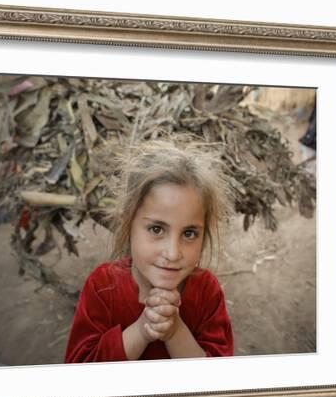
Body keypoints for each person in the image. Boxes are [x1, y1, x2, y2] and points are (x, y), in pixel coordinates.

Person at [64, 137, 234, 363]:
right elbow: (79, 377)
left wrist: (175, 331)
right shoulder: (102, 286)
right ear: (128, 223)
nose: (173, 254)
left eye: (189, 234)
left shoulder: (207, 292)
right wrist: (142, 329)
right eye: (156, 229)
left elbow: (219, 383)